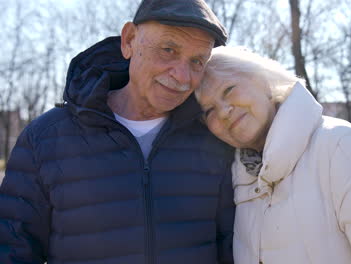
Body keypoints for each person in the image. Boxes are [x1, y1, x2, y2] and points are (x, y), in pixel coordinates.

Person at [0, 1, 235, 263]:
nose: (182, 76)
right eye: (168, 50)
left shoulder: (217, 141)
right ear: (129, 40)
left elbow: (233, 249)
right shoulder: (44, 139)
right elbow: (12, 251)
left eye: (197, 61)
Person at [195, 46, 351, 264]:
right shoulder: (238, 179)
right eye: (209, 111)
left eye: (229, 90)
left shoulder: (340, 147)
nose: (225, 111)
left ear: (262, 81)